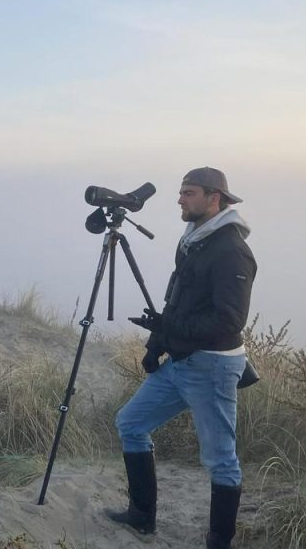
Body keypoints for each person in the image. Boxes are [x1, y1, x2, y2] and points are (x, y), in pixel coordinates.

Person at [105, 167, 256, 549]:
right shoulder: (195, 240)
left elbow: (230, 320)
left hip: (212, 366)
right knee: (131, 423)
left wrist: (171, 329)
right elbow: (177, 300)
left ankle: (219, 542)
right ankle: (142, 517)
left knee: (220, 460)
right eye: (181, 192)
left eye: (189, 193)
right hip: (182, 360)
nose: (179, 199)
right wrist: (157, 343)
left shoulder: (231, 251)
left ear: (214, 198)